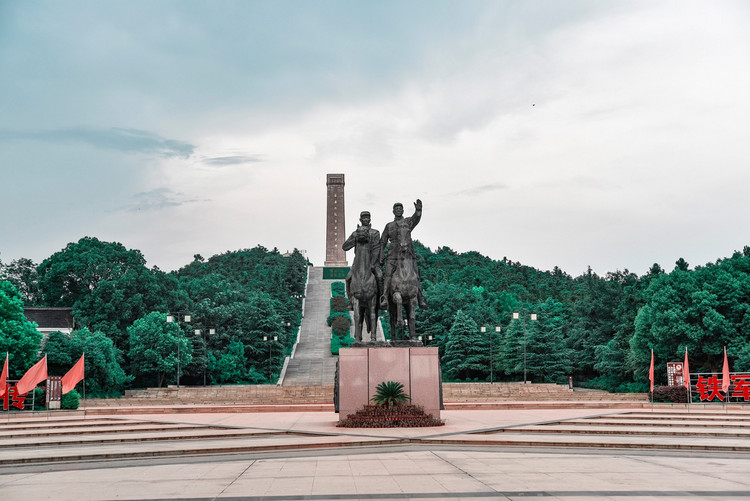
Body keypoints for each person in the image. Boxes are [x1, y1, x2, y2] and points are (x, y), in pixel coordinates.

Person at [379, 200, 428, 309]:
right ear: (393, 211)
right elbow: (383, 241)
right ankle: (385, 297)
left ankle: (420, 296)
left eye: (400, 209)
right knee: (388, 274)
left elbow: (416, 219)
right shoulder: (389, 225)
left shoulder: (407, 222)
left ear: (403, 210)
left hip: (407, 254)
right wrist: (381, 255)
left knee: (415, 273)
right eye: (396, 209)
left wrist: (418, 211)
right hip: (392, 254)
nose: (398, 211)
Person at [342, 211, 383, 310]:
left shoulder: (375, 233)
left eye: (367, 218)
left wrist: (373, 264)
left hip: (372, 263)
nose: (365, 219)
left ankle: (382, 299)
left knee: (380, 276)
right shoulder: (355, 233)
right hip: (358, 263)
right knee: (348, 278)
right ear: (360, 220)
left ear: (370, 219)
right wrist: (355, 239)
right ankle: (350, 300)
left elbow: (377, 249)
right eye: (363, 218)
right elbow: (345, 247)